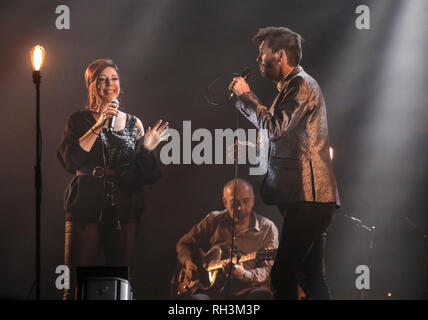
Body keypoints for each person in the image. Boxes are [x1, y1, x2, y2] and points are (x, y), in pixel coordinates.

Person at [228, 26, 340, 300]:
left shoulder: (301, 84)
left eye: (262, 52)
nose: (258, 59)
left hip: (310, 197)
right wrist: (254, 148)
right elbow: (293, 141)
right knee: (311, 277)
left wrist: (246, 95)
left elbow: (275, 127)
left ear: (279, 54)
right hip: (307, 197)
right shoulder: (291, 87)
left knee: (282, 275)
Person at [57, 58, 168, 299]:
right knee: (76, 284)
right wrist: (98, 125)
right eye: (102, 79)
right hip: (85, 204)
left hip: (123, 206)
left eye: (114, 79)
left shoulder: (133, 123)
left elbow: (146, 175)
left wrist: (147, 149)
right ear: (91, 84)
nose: (109, 84)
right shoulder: (78, 120)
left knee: (120, 284)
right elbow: (70, 161)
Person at [175, 178, 279, 300]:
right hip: (213, 291)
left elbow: (267, 270)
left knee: (261, 296)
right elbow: (184, 243)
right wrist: (187, 262)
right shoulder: (213, 219)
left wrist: (243, 274)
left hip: (248, 290)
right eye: (235, 203)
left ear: (253, 201)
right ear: (225, 202)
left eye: (246, 201)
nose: (240, 207)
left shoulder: (267, 228)